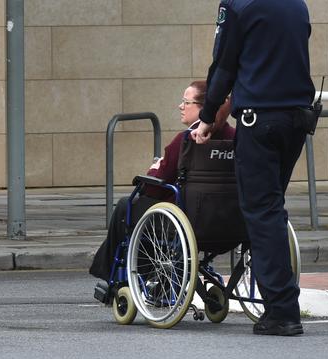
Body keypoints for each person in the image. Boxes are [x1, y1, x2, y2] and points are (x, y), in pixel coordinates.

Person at [191, 0, 315, 336]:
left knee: (262, 211)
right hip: (297, 118)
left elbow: (224, 66)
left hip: (259, 119)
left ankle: (282, 311)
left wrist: (207, 116)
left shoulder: (238, 4)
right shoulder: (297, 4)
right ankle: (277, 294)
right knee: (272, 209)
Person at [89, 80, 234, 284]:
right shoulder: (235, 139)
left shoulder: (185, 141)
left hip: (190, 221)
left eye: (186, 102)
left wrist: (155, 167)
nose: (180, 106)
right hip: (230, 223)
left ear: (204, 108)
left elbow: (154, 187)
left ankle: (114, 277)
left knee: (126, 207)